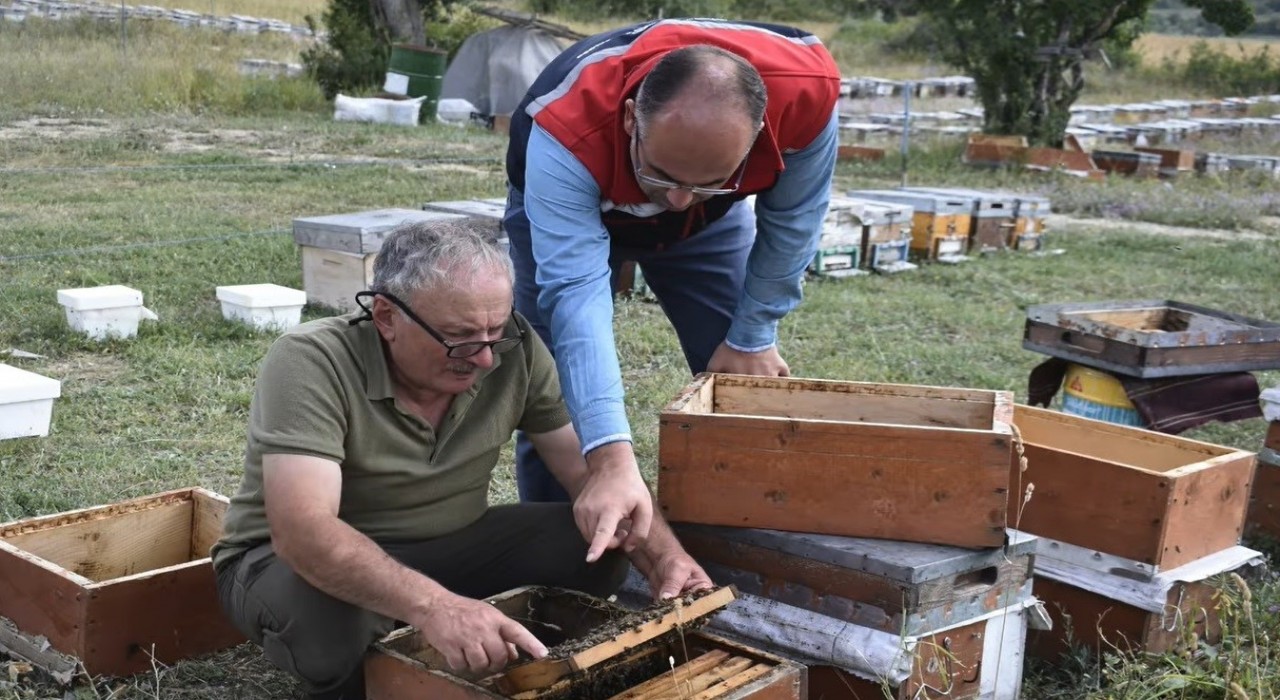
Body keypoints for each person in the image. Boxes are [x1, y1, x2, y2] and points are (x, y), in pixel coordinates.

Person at [211, 219, 713, 700]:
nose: (486, 358)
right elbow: (303, 532)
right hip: (284, 563)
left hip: (450, 544)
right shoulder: (310, 360)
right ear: (386, 317)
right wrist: (437, 606)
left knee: (598, 542)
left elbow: (595, 477)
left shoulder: (513, 348)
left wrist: (665, 558)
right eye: (460, 338)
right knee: (339, 619)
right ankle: (364, 679)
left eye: (496, 332)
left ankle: (486, 644)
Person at [503, 18, 842, 503]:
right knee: (554, 390)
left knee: (741, 377)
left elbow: (794, 219)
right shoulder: (566, 124)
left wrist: (752, 334)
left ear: (757, 137)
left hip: (710, 225)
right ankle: (562, 534)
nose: (678, 200)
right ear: (629, 119)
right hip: (575, 205)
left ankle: (742, 525)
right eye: (662, 174)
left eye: (708, 181)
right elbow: (575, 299)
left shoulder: (806, 96)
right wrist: (609, 456)